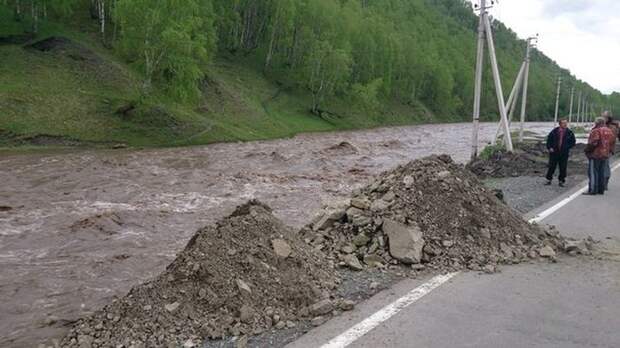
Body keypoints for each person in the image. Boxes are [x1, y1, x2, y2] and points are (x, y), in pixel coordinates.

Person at [584, 117, 614, 195]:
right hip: (605, 154)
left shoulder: (596, 131)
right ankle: (601, 189)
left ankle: (593, 189)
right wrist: (609, 151)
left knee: (593, 172)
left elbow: (594, 142)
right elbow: (612, 142)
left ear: (597, 123)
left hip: (596, 154)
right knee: (602, 172)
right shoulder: (609, 131)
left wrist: (587, 150)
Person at [545, 119, 576, 187]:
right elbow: (548, 141)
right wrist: (550, 147)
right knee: (551, 166)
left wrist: (567, 147)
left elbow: (573, 142)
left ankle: (561, 181)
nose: (565, 124)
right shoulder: (554, 131)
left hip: (564, 153)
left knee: (563, 167)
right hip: (554, 152)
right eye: (563, 123)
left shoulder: (569, 133)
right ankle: (548, 179)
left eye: (566, 123)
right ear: (560, 124)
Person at [603, 111, 618, 189]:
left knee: (605, 165)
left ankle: (605, 182)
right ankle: (602, 181)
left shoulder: (612, 127)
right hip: (602, 149)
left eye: (605, 117)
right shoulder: (603, 126)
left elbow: (611, 139)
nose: (603, 118)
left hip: (607, 149)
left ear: (608, 118)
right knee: (603, 165)